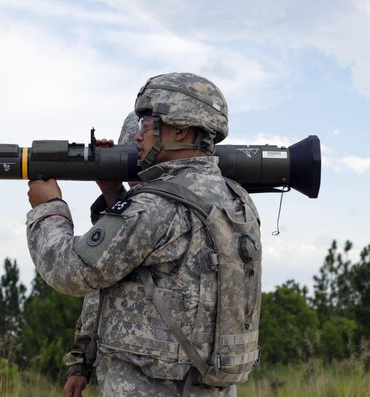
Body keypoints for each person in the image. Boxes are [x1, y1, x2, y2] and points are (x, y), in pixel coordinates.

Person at [26, 73, 261, 397]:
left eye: (147, 122)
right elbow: (140, 282)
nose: (137, 136)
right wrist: (83, 360)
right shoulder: (234, 197)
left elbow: (71, 271)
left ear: (180, 128)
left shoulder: (155, 206)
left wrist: (48, 208)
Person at [62, 111, 139, 397]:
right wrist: (80, 364)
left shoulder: (167, 215)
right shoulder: (123, 213)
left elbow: (73, 271)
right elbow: (99, 290)